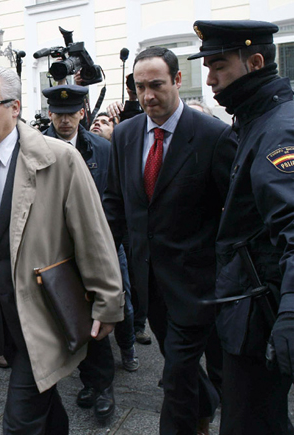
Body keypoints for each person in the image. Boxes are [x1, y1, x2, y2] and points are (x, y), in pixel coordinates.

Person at [0, 65, 124, 434]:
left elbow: (93, 236)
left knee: (19, 423)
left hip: (42, 314)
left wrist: (108, 301)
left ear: (15, 107)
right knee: (44, 403)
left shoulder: (59, 159)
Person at [102, 46, 237, 435]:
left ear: (177, 80)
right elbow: (115, 206)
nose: (147, 96)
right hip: (149, 285)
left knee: (175, 377)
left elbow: (233, 215)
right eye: (140, 87)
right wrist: (100, 267)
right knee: (180, 365)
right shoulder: (125, 135)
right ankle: (205, 406)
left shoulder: (213, 136)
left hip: (199, 286)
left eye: (157, 85)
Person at [189, 19, 294, 434]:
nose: (209, 79)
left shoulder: (277, 129)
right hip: (249, 307)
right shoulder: (257, 117)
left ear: (255, 63)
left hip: (260, 315)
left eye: (219, 66)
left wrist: (291, 311)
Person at [42, 85, 138, 423]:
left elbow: (115, 198)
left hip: (100, 245)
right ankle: (89, 381)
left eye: (71, 113)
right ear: (50, 114)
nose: (65, 120)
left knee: (105, 312)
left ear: (82, 112)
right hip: (57, 252)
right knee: (71, 317)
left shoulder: (102, 148)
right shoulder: (36, 148)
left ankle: (104, 386)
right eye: (59, 114)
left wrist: (109, 242)